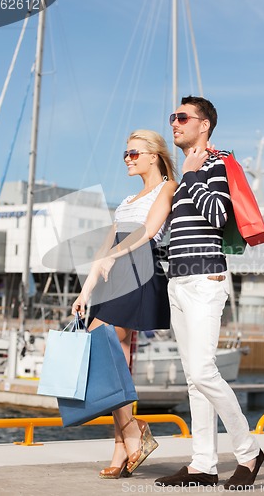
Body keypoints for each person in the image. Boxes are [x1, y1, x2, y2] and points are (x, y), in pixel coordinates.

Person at [154, 96, 264, 489]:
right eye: (173, 117)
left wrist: (192, 175)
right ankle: (203, 464)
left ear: (205, 125)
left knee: (203, 371)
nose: (174, 123)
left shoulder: (213, 165)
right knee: (192, 379)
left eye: (182, 117)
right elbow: (173, 235)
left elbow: (218, 215)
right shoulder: (185, 174)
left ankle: (249, 453)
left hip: (205, 280)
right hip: (178, 281)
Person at [72, 129, 177, 479]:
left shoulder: (167, 188)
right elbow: (104, 249)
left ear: (153, 155)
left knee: (109, 353)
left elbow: (148, 231)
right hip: (115, 274)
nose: (128, 159)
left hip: (140, 269)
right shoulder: (127, 200)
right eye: (125, 154)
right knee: (117, 359)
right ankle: (124, 445)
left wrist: (112, 257)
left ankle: (131, 434)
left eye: (134, 153)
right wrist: (85, 291)